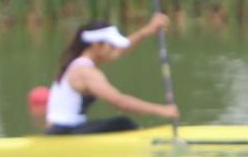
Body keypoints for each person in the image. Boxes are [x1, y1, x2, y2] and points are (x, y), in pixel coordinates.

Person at [44, 17, 180, 134]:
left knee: (120, 123)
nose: (115, 50)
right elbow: (119, 102)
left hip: (66, 130)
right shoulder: (84, 71)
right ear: (96, 45)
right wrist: (162, 110)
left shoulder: (80, 62)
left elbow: (121, 50)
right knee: (123, 123)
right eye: (112, 46)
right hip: (63, 132)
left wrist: (147, 31)